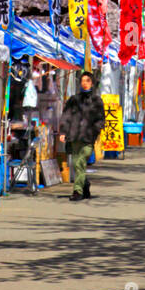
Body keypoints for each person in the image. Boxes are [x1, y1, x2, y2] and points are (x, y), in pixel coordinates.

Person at [59, 71, 106, 201]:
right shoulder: (74, 100)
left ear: (92, 83)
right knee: (76, 164)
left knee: (80, 162)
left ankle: (77, 191)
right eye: (82, 81)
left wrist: (94, 131)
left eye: (87, 81)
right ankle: (85, 184)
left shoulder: (97, 100)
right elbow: (66, 116)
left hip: (88, 138)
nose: (84, 83)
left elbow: (101, 119)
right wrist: (63, 132)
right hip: (74, 137)